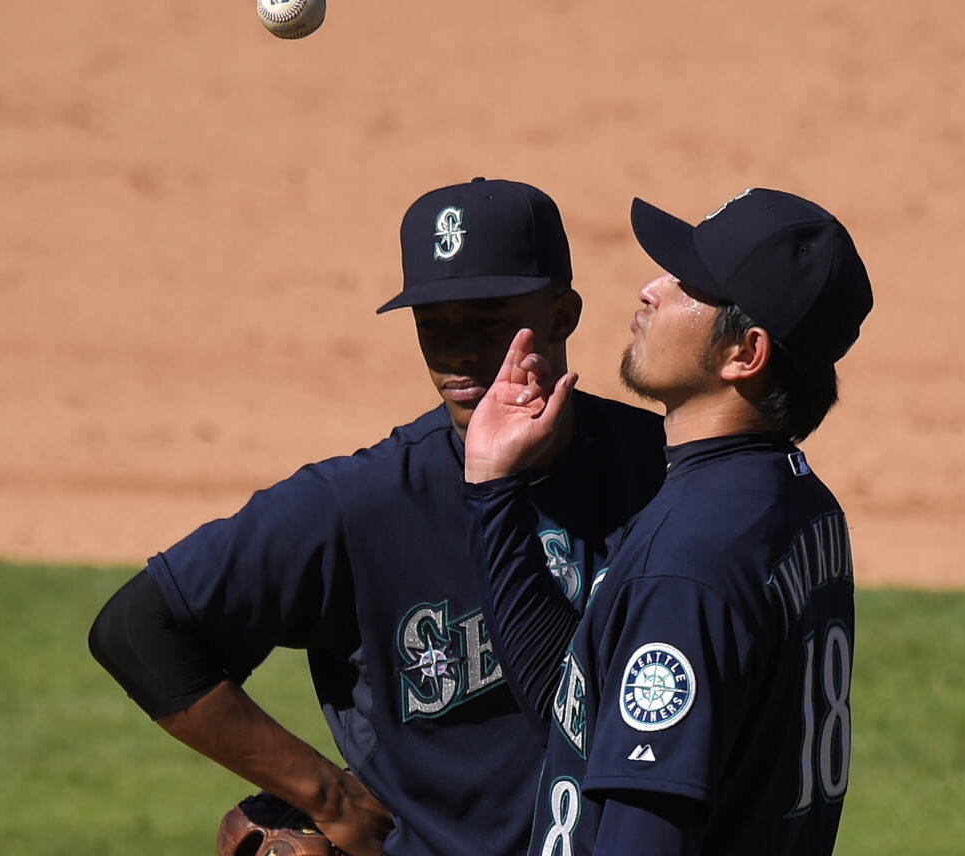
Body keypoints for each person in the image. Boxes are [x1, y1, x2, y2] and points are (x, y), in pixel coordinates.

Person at [87, 177, 667, 856]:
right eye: (433, 325)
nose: (456, 352)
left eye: (486, 320)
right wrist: (324, 795)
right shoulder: (363, 505)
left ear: (563, 312)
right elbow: (136, 630)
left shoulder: (660, 468)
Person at [462, 187, 873, 855]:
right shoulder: (798, 505)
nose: (652, 289)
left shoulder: (688, 562)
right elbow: (578, 710)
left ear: (745, 351)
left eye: (688, 284)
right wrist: (493, 492)